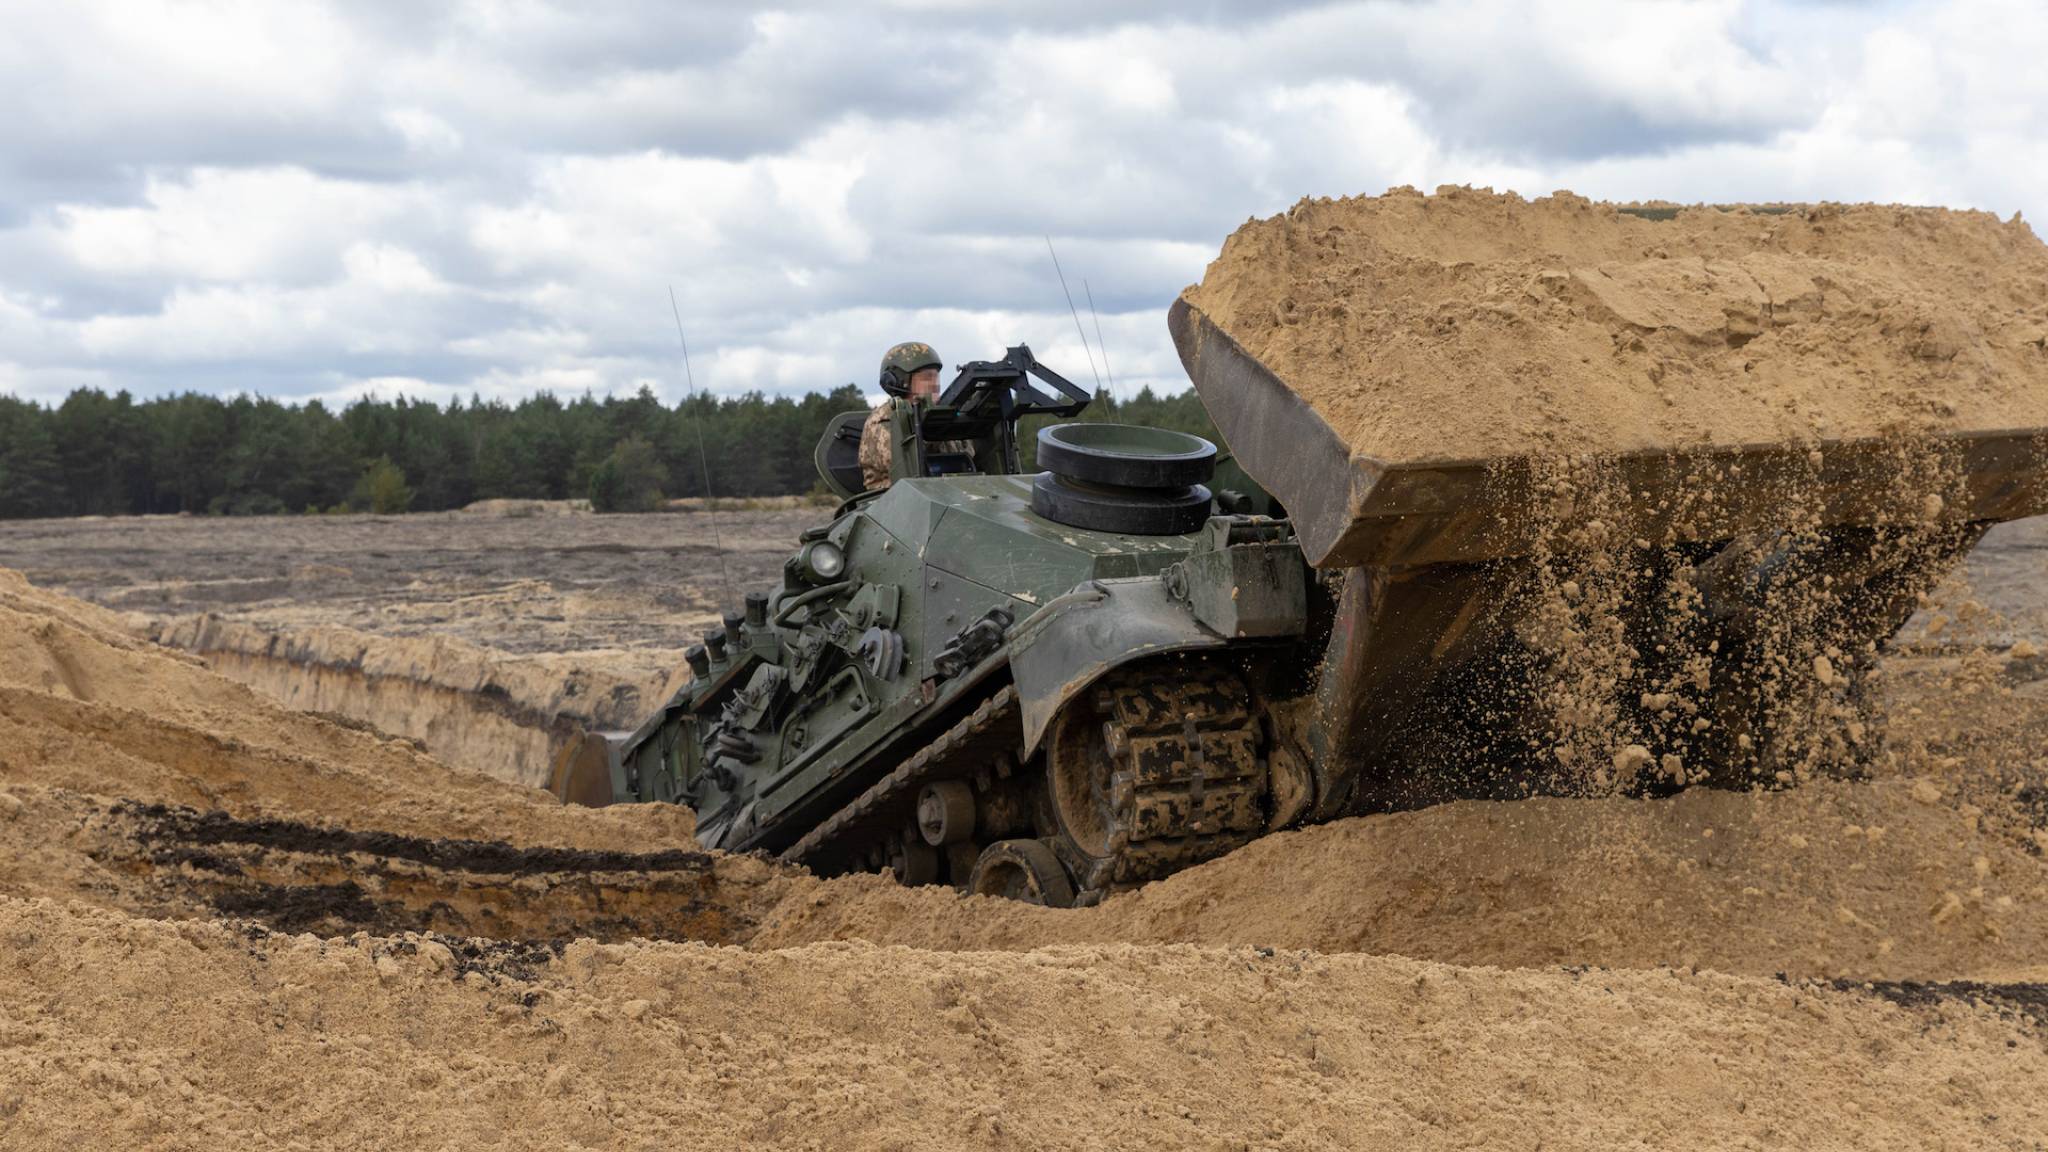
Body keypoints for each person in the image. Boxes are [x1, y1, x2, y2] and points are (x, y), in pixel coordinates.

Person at [859, 341, 945, 490]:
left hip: (940, 494)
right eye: (927, 377)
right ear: (899, 382)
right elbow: (908, 466)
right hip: (890, 501)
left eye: (936, 377)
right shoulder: (882, 420)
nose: (935, 384)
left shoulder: (940, 414)